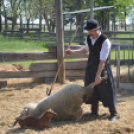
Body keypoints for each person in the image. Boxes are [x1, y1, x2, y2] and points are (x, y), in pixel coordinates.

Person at [65, 19, 117, 121]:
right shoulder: (89, 38)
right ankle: (94, 112)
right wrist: (72, 52)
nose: (89, 33)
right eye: (88, 31)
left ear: (97, 29)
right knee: (91, 90)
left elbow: (102, 61)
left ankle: (113, 113)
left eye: (91, 31)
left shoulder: (105, 41)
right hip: (91, 67)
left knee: (107, 91)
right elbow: (85, 50)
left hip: (102, 69)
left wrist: (98, 75)